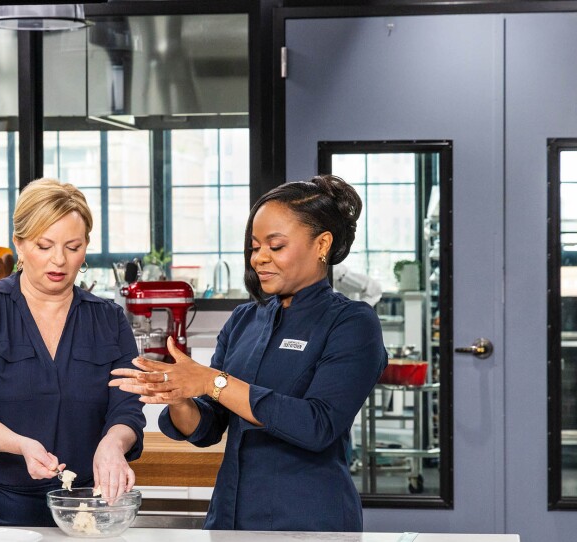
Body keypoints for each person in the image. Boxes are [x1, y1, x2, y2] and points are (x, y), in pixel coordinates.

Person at [111, 174, 388, 532]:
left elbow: (318, 425)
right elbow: (210, 426)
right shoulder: (245, 319)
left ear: (322, 244)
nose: (259, 259)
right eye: (255, 247)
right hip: (230, 517)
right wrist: (177, 397)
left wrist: (213, 381)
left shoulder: (352, 323)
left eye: (275, 246)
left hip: (310, 521)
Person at [0, 178, 145, 526]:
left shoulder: (109, 319)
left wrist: (114, 444)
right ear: (19, 244)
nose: (60, 260)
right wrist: (21, 445)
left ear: (86, 247)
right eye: (44, 245)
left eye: (73, 246)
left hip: (80, 508)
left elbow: (127, 410)